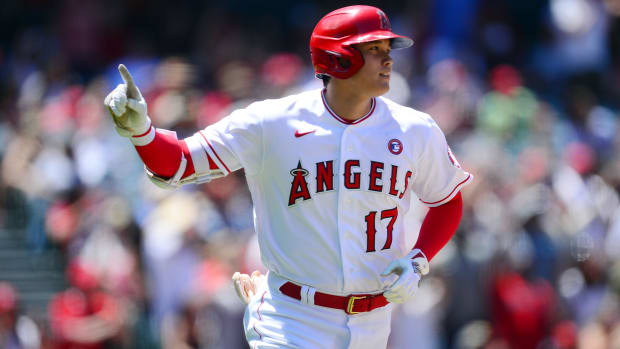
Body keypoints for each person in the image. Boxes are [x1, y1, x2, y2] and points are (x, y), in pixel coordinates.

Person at [104, 5, 472, 348]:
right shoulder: (272, 122)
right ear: (337, 58)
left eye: (388, 47)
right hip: (293, 317)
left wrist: (418, 260)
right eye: (373, 48)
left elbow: (446, 200)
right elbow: (179, 163)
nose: (388, 58)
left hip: (374, 323)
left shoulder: (414, 129)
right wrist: (142, 133)